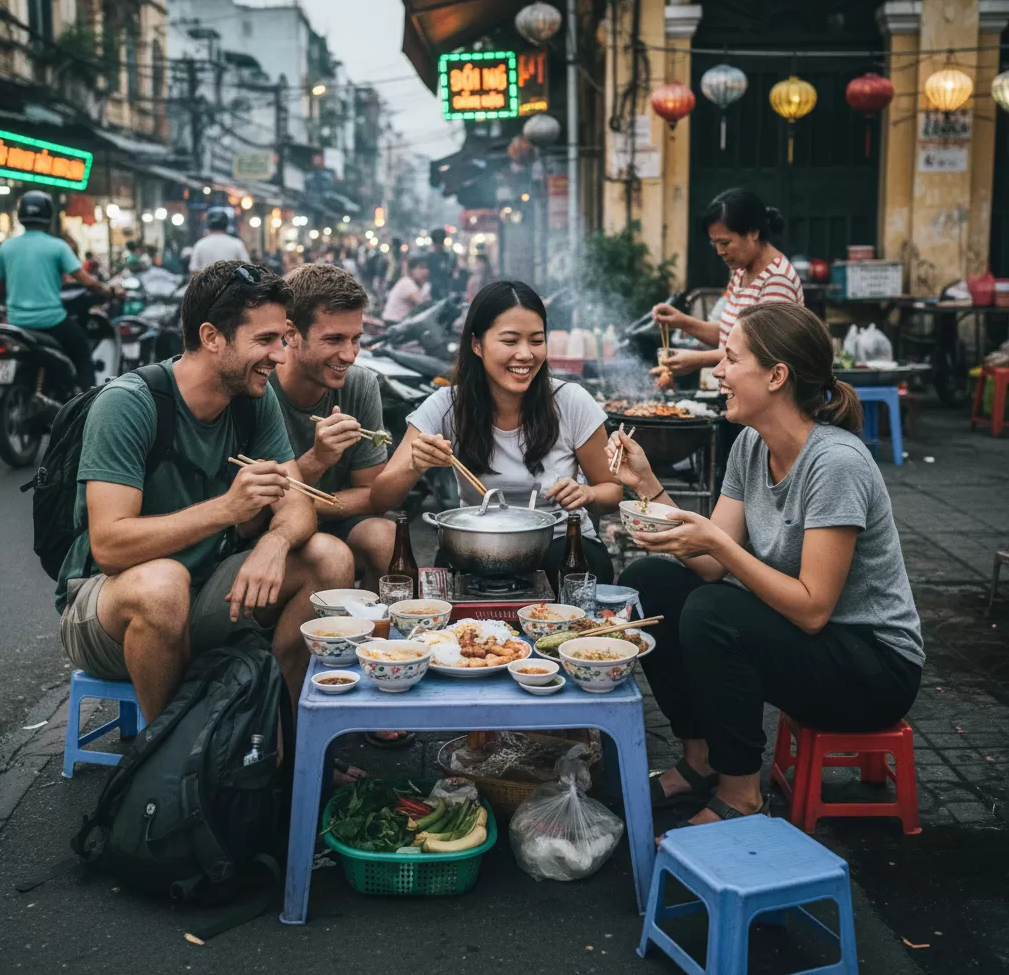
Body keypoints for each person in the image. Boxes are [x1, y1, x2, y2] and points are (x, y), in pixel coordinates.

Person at [611, 302, 922, 827]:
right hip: (813, 642)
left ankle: (740, 793)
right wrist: (647, 484)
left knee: (713, 612)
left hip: (873, 666)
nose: (717, 371)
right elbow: (708, 563)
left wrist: (721, 546)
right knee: (650, 582)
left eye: (731, 359)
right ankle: (700, 760)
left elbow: (813, 610)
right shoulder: (751, 446)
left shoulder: (836, 462)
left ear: (777, 376)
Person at [55, 259, 356, 723]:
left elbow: (297, 502)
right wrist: (227, 509)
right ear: (212, 336)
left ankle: (279, 730)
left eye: (282, 339)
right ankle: (172, 756)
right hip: (110, 609)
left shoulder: (254, 399)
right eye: (265, 340)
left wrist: (274, 543)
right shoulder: (129, 404)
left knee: (329, 557)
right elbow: (110, 547)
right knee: (163, 584)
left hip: (205, 595)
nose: (280, 355)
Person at [371, 279, 622, 585]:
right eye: (510, 341)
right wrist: (414, 465)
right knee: (445, 576)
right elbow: (382, 498)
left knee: (571, 569)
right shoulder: (447, 405)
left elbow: (612, 492)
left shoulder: (571, 401)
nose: (526, 354)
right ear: (477, 344)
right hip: (479, 544)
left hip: (560, 541)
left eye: (536, 340)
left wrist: (588, 493)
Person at [270, 263, 395, 592]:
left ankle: (375, 626)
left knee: (387, 538)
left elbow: (371, 495)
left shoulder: (360, 385)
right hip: (270, 533)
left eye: (356, 339)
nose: (350, 355)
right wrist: (318, 459)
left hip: (335, 522)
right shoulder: (260, 389)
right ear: (291, 334)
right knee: (327, 555)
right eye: (334, 339)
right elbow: (252, 512)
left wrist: (302, 508)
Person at [651, 188, 803, 380]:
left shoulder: (777, 280)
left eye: (725, 243)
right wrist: (681, 321)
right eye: (714, 243)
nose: (719, 251)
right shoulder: (740, 271)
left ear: (753, 233)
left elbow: (763, 352)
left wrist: (698, 359)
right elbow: (728, 335)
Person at [0, 191, 113, 389]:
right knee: (82, 351)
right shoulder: (58, 247)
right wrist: (108, 291)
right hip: (51, 322)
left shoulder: (6, 248)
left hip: (16, 323)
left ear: (21, 215)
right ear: (49, 216)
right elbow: (87, 281)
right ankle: (87, 400)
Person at [189, 207, 250, 273]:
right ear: (226, 224)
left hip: (208, 280)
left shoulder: (200, 245)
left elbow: (193, 270)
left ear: (208, 224)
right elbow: (247, 267)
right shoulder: (237, 243)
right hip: (232, 280)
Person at [382, 255, 430, 324]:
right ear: (412, 270)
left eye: (427, 268)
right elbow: (423, 305)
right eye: (421, 268)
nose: (425, 271)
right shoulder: (406, 283)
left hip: (403, 324)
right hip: (393, 324)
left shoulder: (424, 286)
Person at [425, 227, 452, 298]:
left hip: (444, 291)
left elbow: (449, 274)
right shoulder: (428, 257)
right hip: (431, 292)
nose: (440, 244)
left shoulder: (447, 256)